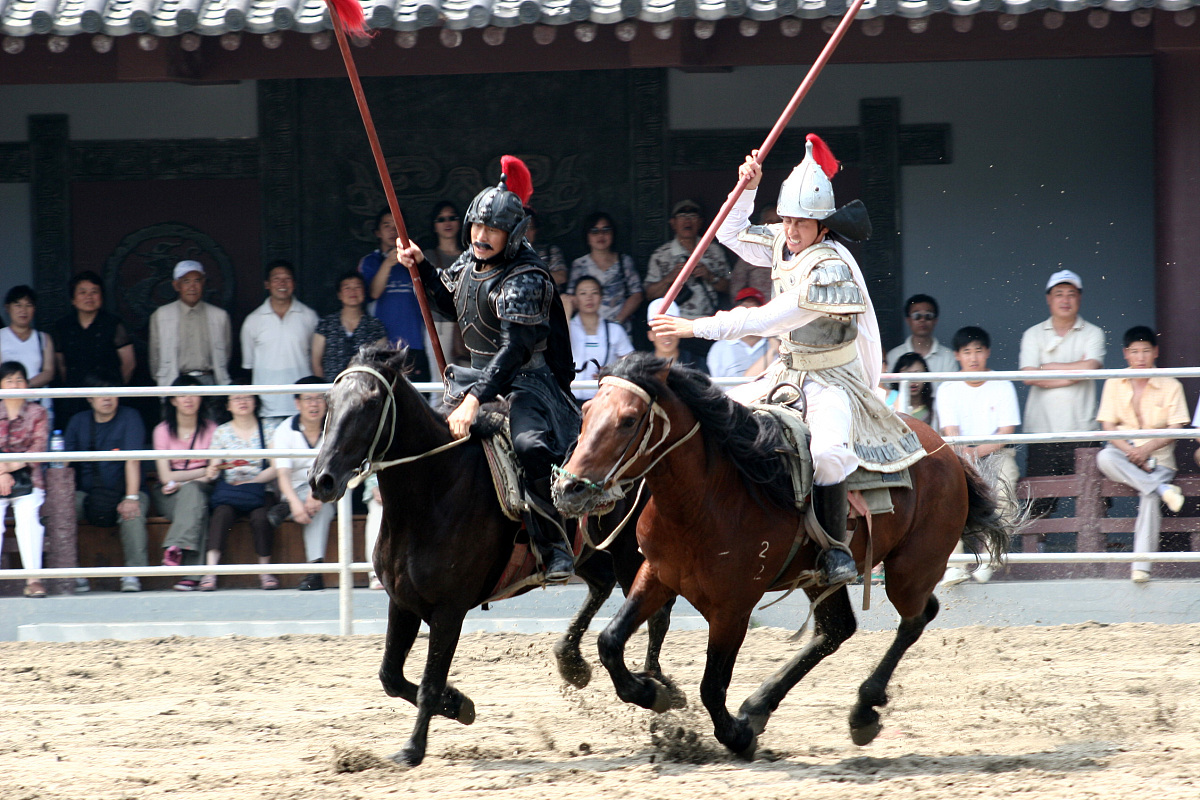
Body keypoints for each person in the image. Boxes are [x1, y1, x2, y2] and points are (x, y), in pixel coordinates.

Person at [652, 137, 924, 586]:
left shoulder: (830, 269)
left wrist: (694, 327)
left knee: (828, 453)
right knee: (717, 422)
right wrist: (747, 189)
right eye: (788, 219)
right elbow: (730, 233)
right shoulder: (783, 241)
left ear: (823, 226)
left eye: (802, 222)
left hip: (833, 379)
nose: (792, 230)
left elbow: (766, 319)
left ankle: (834, 549)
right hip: (787, 371)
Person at [396, 155, 580, 583]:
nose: (481, 236)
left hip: (527, 383)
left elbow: (515, 349)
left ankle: (554, 544)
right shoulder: (470, 260)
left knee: (530, 447)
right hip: (476, 377)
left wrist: (475, 399)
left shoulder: (526, 277)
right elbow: (450, 303)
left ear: (512, 234)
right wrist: (421, 266)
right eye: (477, 226)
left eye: (492, 229)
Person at [1095, 326, 1188, 584]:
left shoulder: (1171, 384)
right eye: (1134, 351)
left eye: (1146, 351)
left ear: (1155, 352)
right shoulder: (1114, 382)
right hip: (1123, 454)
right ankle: (1162, 489)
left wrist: (1145, 450)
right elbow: (1108, 427)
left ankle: (1141, 567)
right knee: (1104, 458)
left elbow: (1177, 428)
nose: (1140, 357)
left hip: (1159, 458)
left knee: (1148, 497)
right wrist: (1132, 452)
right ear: (1126, 353)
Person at [936, 326, 1021, 585]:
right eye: (967, 352)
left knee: (1005, 492)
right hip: (959, 454)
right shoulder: (948, 387)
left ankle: (990, 560)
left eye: (978, 351)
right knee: (945, 494)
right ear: (957, 355)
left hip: (997, 453)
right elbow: (950, 432)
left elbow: (1006, 432)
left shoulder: (1002, 385)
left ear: (988, 352)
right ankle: (954, 565)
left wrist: (977, 452)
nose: (973, 357)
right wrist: (965, 454)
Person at [1020, 269, 1106, 495]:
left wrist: (1045, 368)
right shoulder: (1033, 334)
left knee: (1092, 499)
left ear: (1080, 298)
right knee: (1039, 503)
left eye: (1071, 294)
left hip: (1083, 431)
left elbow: (1091, 368)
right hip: (1041, 431)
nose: (1065, 300)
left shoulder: (1093, 333)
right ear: (1049, 298)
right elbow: (1028, 376)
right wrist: (1075, 372)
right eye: (1059, 294)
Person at [64, 377, 149, 593]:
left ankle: (133, 574)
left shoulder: (130, 417)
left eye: (112, 392)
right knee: (60, 511)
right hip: (88, 493)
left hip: (127, 490)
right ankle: (71, 572)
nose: (107, 398)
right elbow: (62, 462)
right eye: (101, 394)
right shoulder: (78, 421)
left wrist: (131, 497)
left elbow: (132, 460)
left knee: (133, 513)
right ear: (89, 398)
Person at [201, 394, 279, 592]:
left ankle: (265, 572)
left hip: (261, 488)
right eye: (236, 398)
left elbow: (276, 467)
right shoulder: (222, 431)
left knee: (261, 517)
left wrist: (252, 481)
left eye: (247, 397)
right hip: (231, 490)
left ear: (255, 401)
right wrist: (212, 471)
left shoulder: (269, 428)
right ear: (227, 405)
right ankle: (210, 573)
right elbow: (214, 467)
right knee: (221, 514)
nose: (242, 402)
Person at [151, 375, 217, 592]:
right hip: (168, 493)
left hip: (201, 488)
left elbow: (213, 475)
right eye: (182, 394)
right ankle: (191, 576)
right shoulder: (162, 430)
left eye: (194, 394)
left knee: (194, 494)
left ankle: (175, 547)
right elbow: (164, 476)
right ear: (173, 400)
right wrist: (201, 471)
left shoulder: (211, 429)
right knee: (197, 504)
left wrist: (182, 480)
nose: (188, 399)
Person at [270, 376, 335, 591]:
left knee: (323, 508)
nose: (314, 404)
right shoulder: (285, 430)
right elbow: (283, 474)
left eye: (319, 398)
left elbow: (334, 469)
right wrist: (295, 503)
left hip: (328, 487)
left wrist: (315, 493)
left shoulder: (336, 427)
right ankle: (288, 505)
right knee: (310, 503)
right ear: (297, 403)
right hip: (294, 488)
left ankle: (315, 571)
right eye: (308, 399)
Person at [644, 200, 730, 360]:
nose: (687, 220)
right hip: (675, 328)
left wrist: (709, 276)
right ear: (673, 223)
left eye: (692, 216)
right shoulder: (661, 254)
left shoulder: (714, 251)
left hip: (708, 325)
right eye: (682, 215)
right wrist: (670, 278)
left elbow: (728, 287)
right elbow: (649, 294)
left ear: (700, 222)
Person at [240, 261, 319, 425]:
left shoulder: (309, 317)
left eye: (287, 279)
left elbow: (317, 359)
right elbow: (249, 365)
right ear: (267, 284)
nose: (282, 283)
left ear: (294, 283)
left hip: (303, 406)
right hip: (267, 407)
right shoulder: (253, 320)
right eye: (276, 279)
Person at [53, 271, 135, 425]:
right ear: (73, 299)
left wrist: (112, 387)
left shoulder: (113, 324)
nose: (89, 297)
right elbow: (61, 366)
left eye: (94, 292)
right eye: (82, 292)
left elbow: (129, 364)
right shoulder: (62, 326)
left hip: (107, 395)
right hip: (75, 395)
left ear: (101, 297)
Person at [359, 208, 430, 383]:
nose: (392, 231)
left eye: (396, 226)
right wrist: (388, 262)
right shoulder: (370, 261)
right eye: (386, 226)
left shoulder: (415, 260)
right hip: (382, 344)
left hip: (414, 341)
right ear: (377, 232)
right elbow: (373, 293)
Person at [0, 361, 50, 597]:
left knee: (28, 518)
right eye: (9, 380)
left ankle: (33, 580)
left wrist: (8, 469)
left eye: (19, 380)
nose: (14, 385)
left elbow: (37, 449)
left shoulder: (37, 413)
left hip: (29, 479)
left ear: (27, 384)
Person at [147, 260, 232, 386]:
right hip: (174, 381)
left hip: (209, 381)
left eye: (197, 281)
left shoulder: (219, 316)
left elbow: (226, 353)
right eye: (186, 281)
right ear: (176, 285)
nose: (192, 287)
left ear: (203, 283)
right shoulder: (161, 315)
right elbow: (155, 357)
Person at [566, 212, 644, 332]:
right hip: (589, 330)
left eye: (606, 230)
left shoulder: (624, 261)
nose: (601, 235)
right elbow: (571, 298)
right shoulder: (579, 264)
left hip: (621, 329)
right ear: (587, 236)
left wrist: (617, 323)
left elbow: (637, 294)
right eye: (594, 231)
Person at [421, 201, 470, 369]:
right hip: (438, 323)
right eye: (441, 219)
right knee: (441, 377)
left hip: (467, 323)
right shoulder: (427, 257)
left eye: (452, 218)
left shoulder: (470, 256)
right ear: (434, 226)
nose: (447, 223)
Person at [311, 272, 388, 379]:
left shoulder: (375, 326)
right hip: (333, 386)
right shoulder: (326, 325)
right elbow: (316, 361)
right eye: (347, 288)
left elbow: (382, 363)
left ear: (364, 292)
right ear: (339, 294)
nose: (353, 292)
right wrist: (322, 387)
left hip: (365, 386)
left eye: (357, 287)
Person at [568, 276, 634, 401]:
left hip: (604, 402)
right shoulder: (568, 327)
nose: (589, 298)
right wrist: (566, 308)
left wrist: (614, 372)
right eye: (583, 293)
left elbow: (632, 364)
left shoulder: (615, 330)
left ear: (601, 297)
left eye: (594, 293)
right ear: (575, 299)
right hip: (570, 400)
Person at [0, 286, 55, 415]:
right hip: (7, 407)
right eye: (18, 305)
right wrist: (15, 386)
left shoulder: (43, 338)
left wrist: (26, 385)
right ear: (8, 308)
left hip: (39, 405)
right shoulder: (1, 336)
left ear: (34, 308)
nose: (23, 310)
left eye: (28, 305)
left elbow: (49, 372)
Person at [706, 287, 772, 380]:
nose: (749, 315)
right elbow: (717, 383)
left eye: (754, 309)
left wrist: (774, 349)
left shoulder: (776, 345)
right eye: (745, 309)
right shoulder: (720, 347)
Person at [885, 294, 957, 374]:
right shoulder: (894, 355)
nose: (922, 320)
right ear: (908, 320)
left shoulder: (948, 356)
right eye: (917, 316)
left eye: (928, 316)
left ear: (935, 321)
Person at [727, 205, 780, 302]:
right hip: (757, 308)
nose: (775, 225)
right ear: (761, 225)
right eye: (770, 221)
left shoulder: (795, 252)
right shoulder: (750, 252)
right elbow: (735, 290)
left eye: (779, 221)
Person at [645, 299, 706, 372]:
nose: (666, 336)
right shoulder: (643, 367)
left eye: (670, 329)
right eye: (660, 330)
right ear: (650, 335)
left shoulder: (697, 364)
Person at [525, 207, 568, 295]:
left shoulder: (550, 251)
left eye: (529, 227)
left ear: (535, 230)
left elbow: (561, 277)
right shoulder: (503, 256)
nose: (525, 232)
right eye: (521, 228)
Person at [886, 352, 936, 428]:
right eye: (907, 374)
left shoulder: (935, 406)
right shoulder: (888, 404)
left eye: (918, 374)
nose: (913, 380)